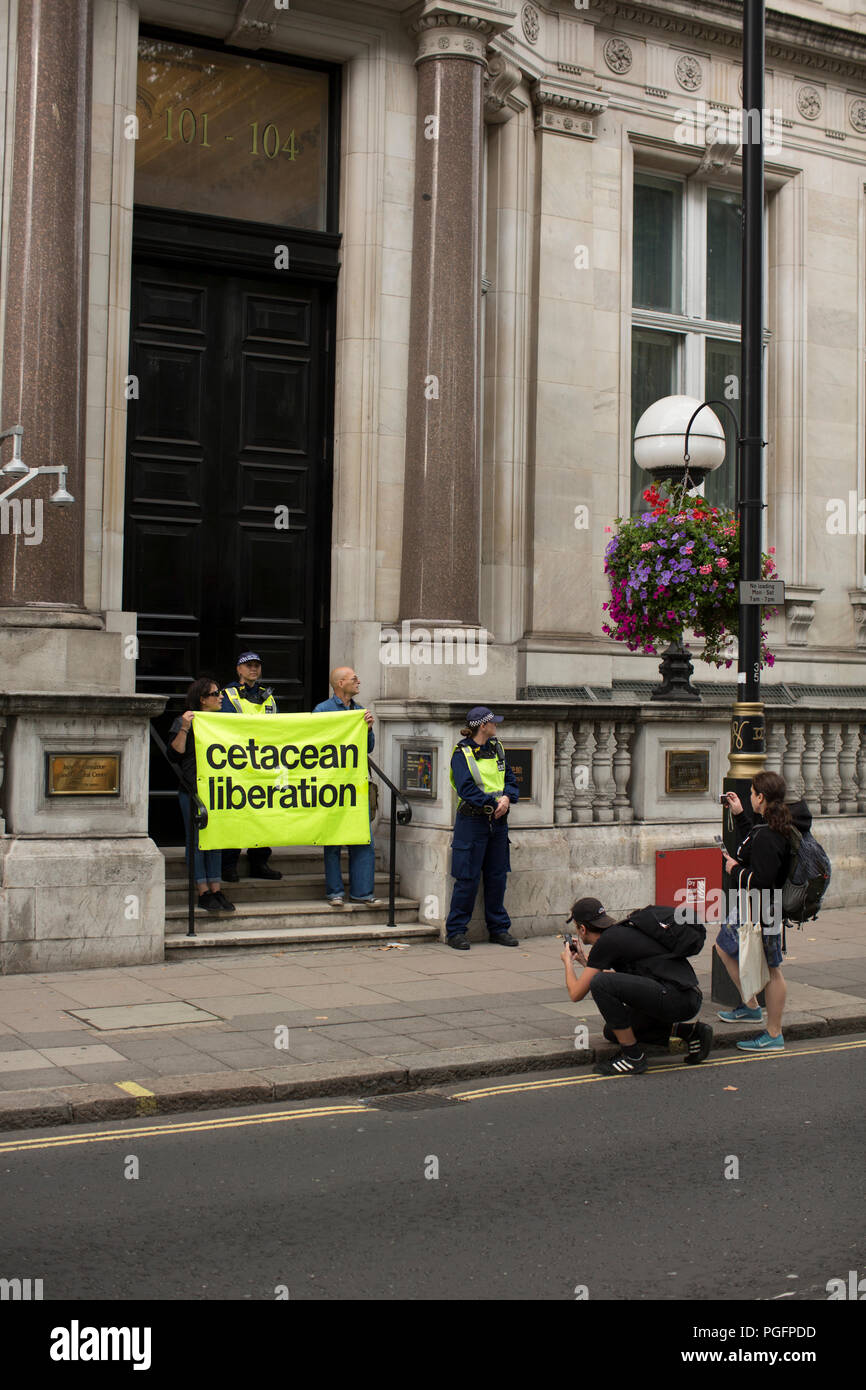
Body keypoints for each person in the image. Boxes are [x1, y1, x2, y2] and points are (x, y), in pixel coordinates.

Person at [561, 897, 712, 1075]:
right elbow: (624, 979)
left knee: (600, 984)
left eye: (577, 929)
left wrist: (567, 962)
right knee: (613, 1031)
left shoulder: (606, 943)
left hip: (675, 998)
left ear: (583, 929)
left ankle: (633, 1057)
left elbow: (576, 993)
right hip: (684, 995)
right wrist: (583, 961)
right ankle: (692, 1032)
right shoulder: (622, 931)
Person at [716, 770, 809, 1052]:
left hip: (764, 909)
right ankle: (751, 1006)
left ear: (761, 797)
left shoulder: (771, 833)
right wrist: (741, 814)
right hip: (756, 907)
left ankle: (773, 1033)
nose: (750, 796)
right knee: (724, 945)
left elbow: (763, 878)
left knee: (772, 969)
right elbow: (755, 843)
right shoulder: (770, 825)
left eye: (752, 793)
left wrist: (735, 870)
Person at [445, 707, 520, 950]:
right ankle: (456, 932)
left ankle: (499, 929)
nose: (496, 725)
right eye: (492, 723)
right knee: (467, 878)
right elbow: (466, 788)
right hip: (473, 821)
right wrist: (491, 804)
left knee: (497, 876)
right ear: (482, 726)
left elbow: (510, 779)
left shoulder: (497, 747)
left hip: (498, 822)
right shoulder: (462, 753)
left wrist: (507, 798)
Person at [312, 667, 380, 907]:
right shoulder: (322, 710)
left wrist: (368, 729)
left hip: (357, 784)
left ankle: (363, 892)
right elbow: (315, 743)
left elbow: (368, 748)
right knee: (332, 840)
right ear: (340, 683)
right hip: (332, 785)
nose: (358, 681)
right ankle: (335, 892)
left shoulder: (360, 711)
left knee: (363, 839)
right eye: (354, 679)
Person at [167, 676, 235, 913]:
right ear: (203, 699)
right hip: (193, 791)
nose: (221, 697)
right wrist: (185, 728)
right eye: (216, 694)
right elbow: (175, 754)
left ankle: (216, 889)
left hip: (218, 790)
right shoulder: (186, 721)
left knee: (215, 840)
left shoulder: (222, 722)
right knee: (196, 841)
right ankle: (202, 891)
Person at [220, 652, 282, 882]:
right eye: (248, 666)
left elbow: (278, 727)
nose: (253, 669)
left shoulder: (268, 696)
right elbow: (226, 725)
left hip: (264, 764)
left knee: (264, 815)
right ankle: (228, 865)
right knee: (236, 814)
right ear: (239, 670)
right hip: (237, 764)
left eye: (257, 666)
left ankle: (260, 862)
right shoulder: (228, 694)